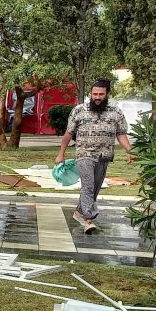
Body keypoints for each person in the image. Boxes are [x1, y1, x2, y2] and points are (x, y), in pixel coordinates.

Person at [55, 79, 134, 235]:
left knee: (94, 188)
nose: (97, 97)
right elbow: (68, 134)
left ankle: (79, 213)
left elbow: (121, 134)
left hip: (104, 156)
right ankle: (89, 219)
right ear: (90, 94)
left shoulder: (116, 112)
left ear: (107, 94)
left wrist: (129, 150)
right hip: (84, 154)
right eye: (94, 94)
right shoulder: (79, 110)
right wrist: (61, 154)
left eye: (101, 94)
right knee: (88, 185)